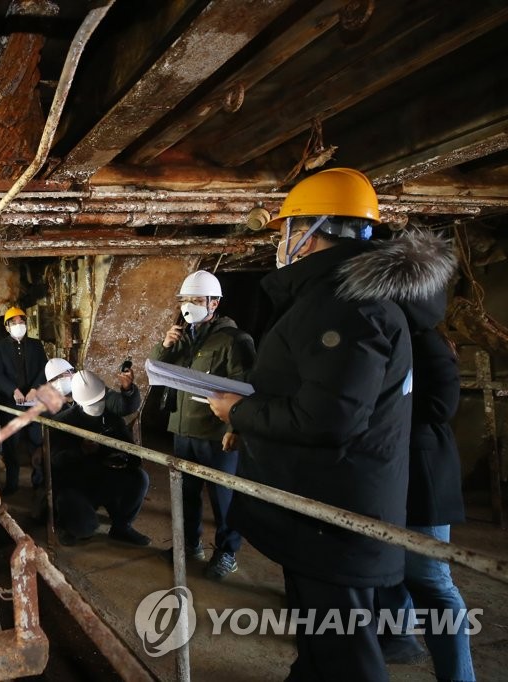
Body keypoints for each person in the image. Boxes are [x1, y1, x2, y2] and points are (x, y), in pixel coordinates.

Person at [206, 168, 455, 681]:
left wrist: (239, 411)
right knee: (322, 641)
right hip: (324, 508)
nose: (281, 242)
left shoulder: (345, 306)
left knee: (346, 653)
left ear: (310, 229)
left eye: (284, 230)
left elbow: (328, 417)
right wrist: (252, 425)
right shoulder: (338, 298)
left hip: (333, 514)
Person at [374, 287, 475, 681]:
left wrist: (379, 408)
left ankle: (459, 675)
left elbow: (440, 406)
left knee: (432, 582)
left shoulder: (425, 340)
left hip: (422, 477)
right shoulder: (397, 336)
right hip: (394, 472)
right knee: (392, 566)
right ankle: (399, 635)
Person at [151, 269, 255, 580]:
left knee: (224, 498)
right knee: (186, 494)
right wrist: (165, 345)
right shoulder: (183, 337)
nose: (188, 306)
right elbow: (157, 370)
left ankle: (226, 554)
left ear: (214, 303)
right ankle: (190, 544)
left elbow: (246, 387)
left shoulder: (234, 340)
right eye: (185, 300)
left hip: (216, 434)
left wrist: (235, 429)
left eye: (196, 300)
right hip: (183, 430)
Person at [49, 370, 150, 546]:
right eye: (92, 402)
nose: (98, 405)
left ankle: (122, 527)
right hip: (75, 484)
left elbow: (132, 451)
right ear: (78, 402)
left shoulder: (111, 418)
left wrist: (124, 457)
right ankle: (67, 525)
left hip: (104, 477)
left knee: (140, 478)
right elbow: (55, 462)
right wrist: (80, 451)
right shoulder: (62, 422)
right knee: (85, 528)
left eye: (100, 399)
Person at [0, 306, 48, 495]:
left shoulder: (36, 345)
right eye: (14, 323)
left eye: (21, 322)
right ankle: (12, 484)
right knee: (11, 447)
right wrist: (12, 390)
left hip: (34, 403)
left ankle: (39, 482)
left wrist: (34, 389)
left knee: (37, 443)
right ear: (7, 327)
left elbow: (44, 370)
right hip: (10, 404)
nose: (18, 326)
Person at [44, 357, 142, 416]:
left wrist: (128, 390)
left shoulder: (91, 388)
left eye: (61, 376)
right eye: (53, 380)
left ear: (72, 372)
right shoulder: (53, 406)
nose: (57, 382)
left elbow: (123, 407)